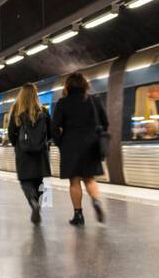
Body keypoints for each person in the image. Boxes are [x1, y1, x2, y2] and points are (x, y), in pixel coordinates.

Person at [51, 72, 109, 226]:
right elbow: (105, 122)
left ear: (67, 86)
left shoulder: (63, 103)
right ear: (85, 85)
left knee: (74, 181)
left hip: (70, 144)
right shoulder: (94, 101)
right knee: (90, 178)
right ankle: (96, 201)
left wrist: (60, 142)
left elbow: (54, 127)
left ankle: (78, 215)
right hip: (91, 144)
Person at [6, 83, 52, 224]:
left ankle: (33, 202)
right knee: (39, 181)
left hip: (23, 153)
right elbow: (50, 131)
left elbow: (10, 132)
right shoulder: (43, 111)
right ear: (35, 95)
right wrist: (44, 142)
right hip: (40, 153)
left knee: (25, 181)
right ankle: (37, 202)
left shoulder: (16, 111)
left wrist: (17, 145)